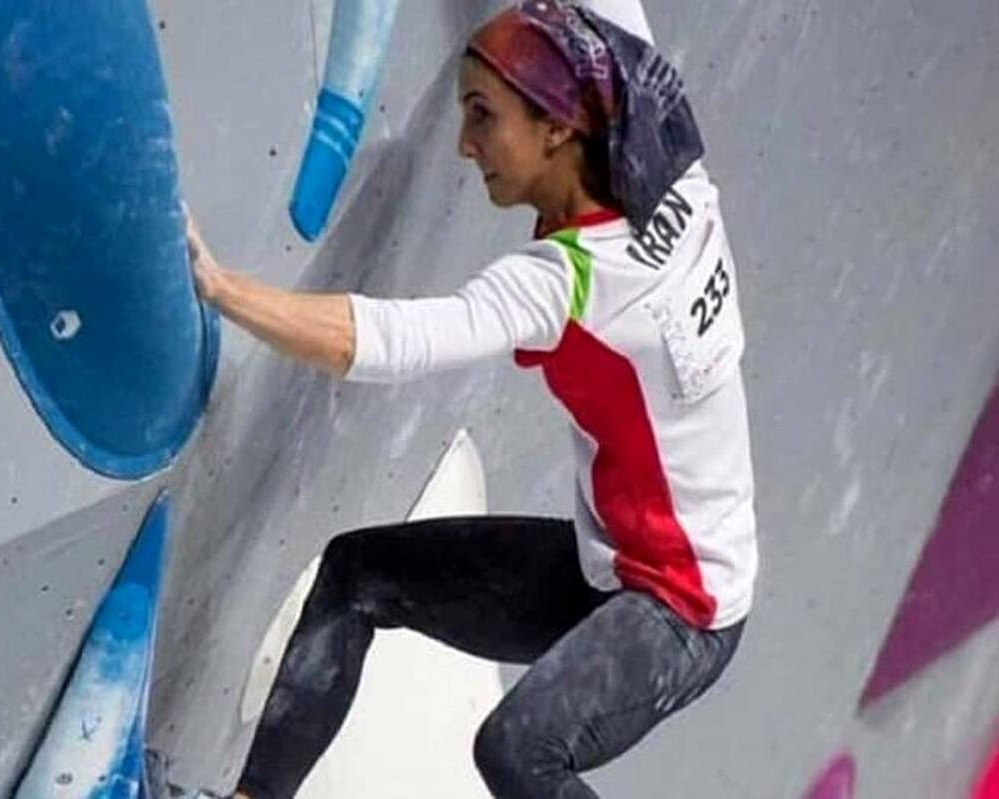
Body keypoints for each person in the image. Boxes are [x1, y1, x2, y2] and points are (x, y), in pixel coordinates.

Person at [182, 2, 757, 796]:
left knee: (518, 748)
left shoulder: (569, 282)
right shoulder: (665, 152)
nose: (464, 143)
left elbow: (388, 340)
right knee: (357, 575)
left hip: (682, 611)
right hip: (611, 569)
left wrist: (221, 289)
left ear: (556, 126)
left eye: (483, 115)